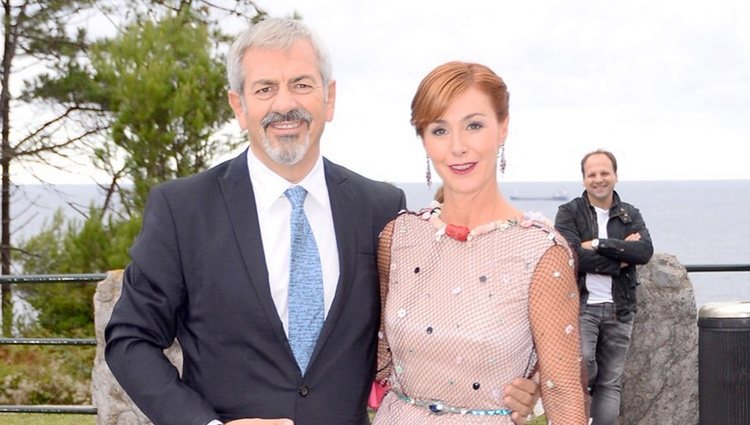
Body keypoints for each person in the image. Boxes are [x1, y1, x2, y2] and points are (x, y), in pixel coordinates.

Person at [104, 18, 539, 425]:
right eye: (265, 89)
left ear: (329, 98)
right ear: (239, 106)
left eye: (301, 84)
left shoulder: (382, 207)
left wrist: (522, 382)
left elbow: (435, 322)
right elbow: (130, 340)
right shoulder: (183, 209)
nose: (285, 103)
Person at [371, 61, 588, 424]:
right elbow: (372, 356)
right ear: (423, 139)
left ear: (502, 128)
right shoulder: (399, 238)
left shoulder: (540, 254)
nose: (458, 146)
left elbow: (563, 393)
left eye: (474, 125)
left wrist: (533, 383)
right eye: (440, 130)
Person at [554, 149, 653, 425]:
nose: (599, 179)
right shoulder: (569, 212)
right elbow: (569, 256)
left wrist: (598, 244)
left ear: (615, 176)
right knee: (584, 364)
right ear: (584, 179)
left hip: (620, 310)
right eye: (592, 174)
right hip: (582, 306)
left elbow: (644, 252)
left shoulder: (628, 213)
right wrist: (620, 258)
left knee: (611, 383)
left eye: (604, 173)